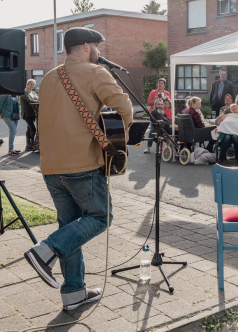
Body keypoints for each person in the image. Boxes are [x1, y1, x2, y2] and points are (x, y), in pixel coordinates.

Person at [23, 27, 133, 311]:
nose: (98, 51)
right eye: (96, 46)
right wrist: (118, 139)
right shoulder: (95, 73)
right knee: (100, 217)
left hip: (50, 167)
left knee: (69, 226)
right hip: (82, 166)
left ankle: (74, 294)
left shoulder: (47, 77)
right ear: (86, 47)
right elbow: (124, 110)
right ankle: (45, 250)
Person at [144, 79, 170, 153]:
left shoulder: (167, 93)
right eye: (159, 83)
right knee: (152, 129)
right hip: (154, 114)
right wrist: (155, 100)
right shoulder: (153, 92)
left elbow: (169, 103)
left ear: (164, 85)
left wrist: (164, 100)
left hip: (163, 114)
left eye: (162, 83)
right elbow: (149, 103)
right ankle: (148, 147)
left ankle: (163, 148)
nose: (160, 84)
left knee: (164, 130)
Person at [21, 79, 39, 151]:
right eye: (31, 84)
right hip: (27, 114)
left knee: (29, 129)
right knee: (33, 128)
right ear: (27, 84)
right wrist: (40, 101)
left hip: (33, 113)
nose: (32, 85)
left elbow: (38, 99)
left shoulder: (34, 93)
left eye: (33, 84)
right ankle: (32, 143)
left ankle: (28, 145)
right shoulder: (24, 92)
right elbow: (30, 101)